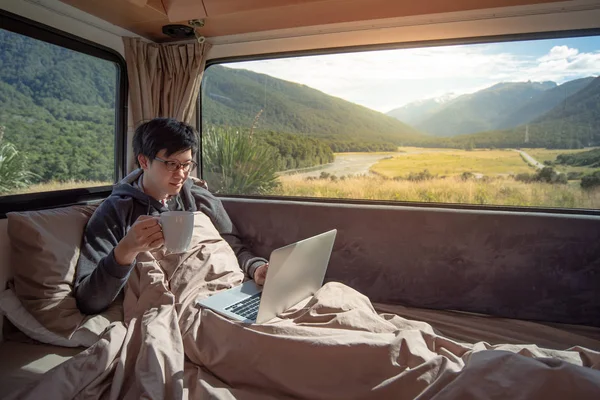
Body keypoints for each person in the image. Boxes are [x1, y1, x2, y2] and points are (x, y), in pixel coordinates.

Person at [74, 117, 269, 315]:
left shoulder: (198, 196)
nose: (181, 174)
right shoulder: (115, 211)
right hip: (184, 308)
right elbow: (89, 300)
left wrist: (256, 268)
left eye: (186, 164)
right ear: (143, 161)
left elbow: (231, 245)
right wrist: (125, 251)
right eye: (171, 164)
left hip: (234, 292)